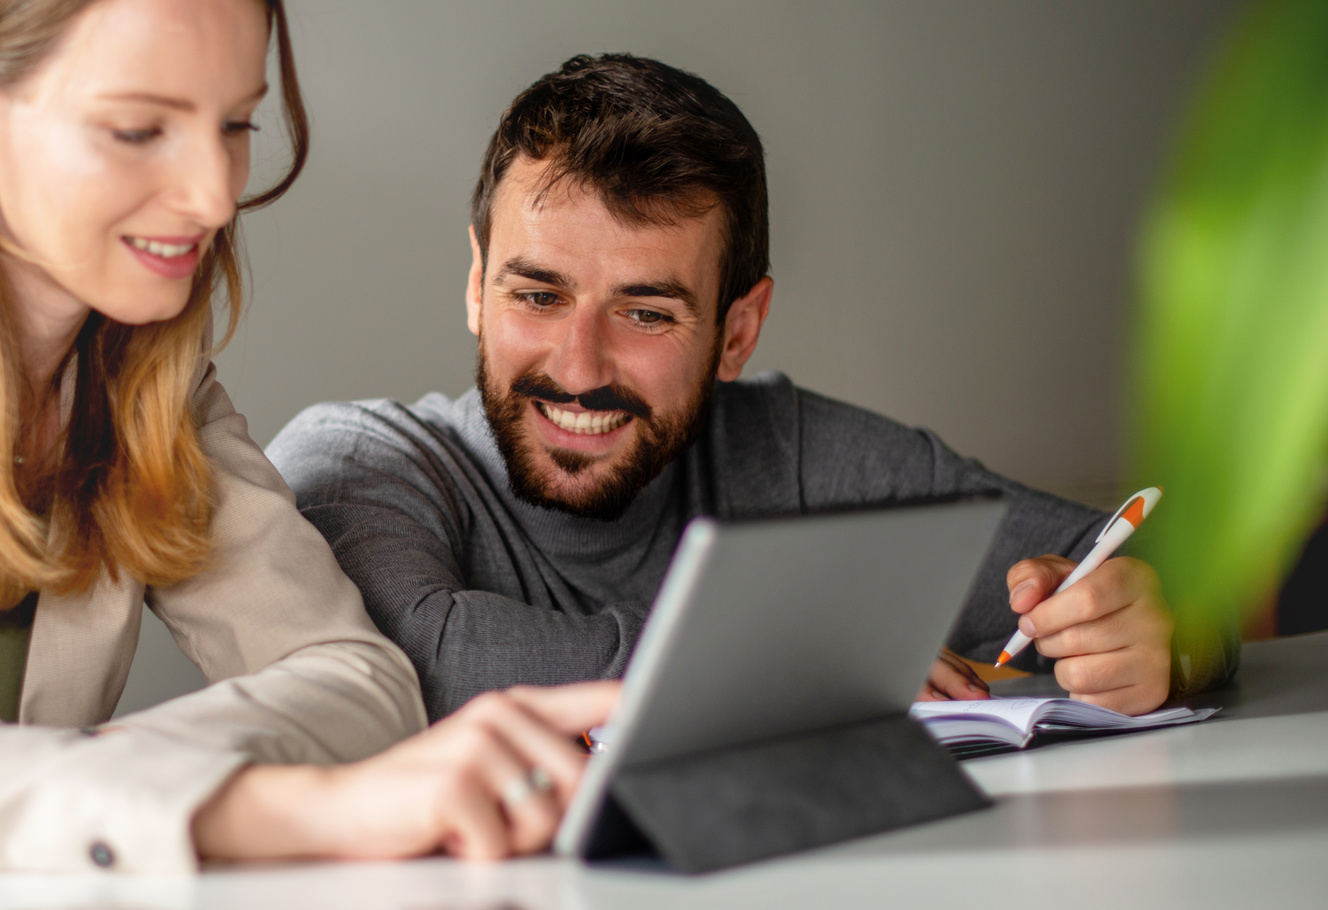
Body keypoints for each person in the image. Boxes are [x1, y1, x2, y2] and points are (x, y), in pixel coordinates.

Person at [269, 54, 1198, 725]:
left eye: (647, 313)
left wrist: (1171, 636)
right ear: (478, 285)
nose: (581, 365)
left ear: (737, 332)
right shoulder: (356, 461)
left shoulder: (791, 456)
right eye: (538, 293)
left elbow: (1119, 569)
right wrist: (806, 669)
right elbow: (411, 664)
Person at [0, 0, 615, 874]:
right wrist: (248, 803)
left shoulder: (157, 398)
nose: (217, 194)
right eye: (139, 129)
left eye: (236, 123)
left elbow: (357, 681)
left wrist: (131, 779)